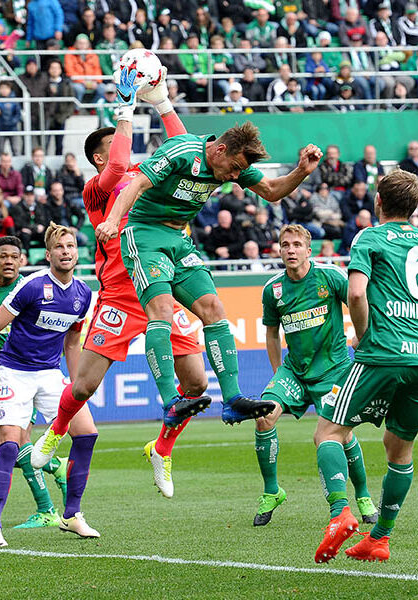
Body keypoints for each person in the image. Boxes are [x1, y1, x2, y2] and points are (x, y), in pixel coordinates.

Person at [30, 69, 208, 500]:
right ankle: (55, 431)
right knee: (84, 386)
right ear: (98, 158)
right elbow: (116, 164)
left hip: (162, 287)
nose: (124, 147)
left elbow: (187, 150)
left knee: (197, 384)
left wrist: (162, 102)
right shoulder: (98, 188)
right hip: (121, 296)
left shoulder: (149, 175)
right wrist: (125, 106)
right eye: (115, 144)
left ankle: (161, 448)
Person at [94, 120, 323, 428]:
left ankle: (233, 400)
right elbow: (136, 185)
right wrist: (112, 221)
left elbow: (270, 191)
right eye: (234, 168)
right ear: (220, 150)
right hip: (145, 235)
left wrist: (302, 172)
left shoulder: (234, 165)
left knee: (214, 309)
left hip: (178, 239)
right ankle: (171, 402)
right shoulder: (182, 150)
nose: (235, 177)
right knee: (161, 310)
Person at [312, 169, 418, 565]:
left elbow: (356, 293)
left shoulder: (370, 236)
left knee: (328, 431)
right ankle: (380, 538)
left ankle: (340, 512)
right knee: (399, 449)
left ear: (378, 201)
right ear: (415, 206)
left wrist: (364, 334)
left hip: (381, 355)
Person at [0, 223, 96, 544]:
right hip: (14, 373)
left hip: (49, 374)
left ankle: (72, 515)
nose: (66, 252)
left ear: (77, 253)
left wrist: (77, 386)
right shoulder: (31, 286)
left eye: (71, 246)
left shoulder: (82, 294)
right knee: (8, 445)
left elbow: (73, 343)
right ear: (48, 255)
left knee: (87, 433)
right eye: (59, 247)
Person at [254, 224, 377, 527]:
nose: (291, 250)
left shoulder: (330, 276)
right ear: (279, 250)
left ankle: (363, 495)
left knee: (342, 434)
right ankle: (272, 491)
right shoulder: (273, 290)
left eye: (297, 245)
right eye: (285, 245)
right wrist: (277, 373)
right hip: (294, 371)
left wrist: (361, 337)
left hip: (334, 371)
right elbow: (271, 334)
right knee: (264, 416)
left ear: (309, 250)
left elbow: (361, 303)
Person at [0, 236, 69, 529]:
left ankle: (47, 510)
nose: (9, 261)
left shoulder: (30, 289)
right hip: (7, 374)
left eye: (15, 257)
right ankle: (54, 465)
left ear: (22, 261)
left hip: (31, 375)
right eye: (4, 256)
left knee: (17, 441)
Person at [0, 81, 21, 156]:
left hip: (13, 128)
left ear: (10, 89)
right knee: (1, 149)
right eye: (2, 88)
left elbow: (18, 115)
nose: (4, 90)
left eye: (6, 88)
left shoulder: (14, 101)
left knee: (15, 149)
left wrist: (11, 122)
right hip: (0, 128)